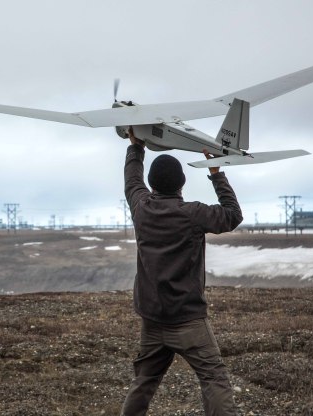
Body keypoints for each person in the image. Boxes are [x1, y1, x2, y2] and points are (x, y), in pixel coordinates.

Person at [121, 127, 243, 416]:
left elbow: (131, 181)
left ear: (152, 184)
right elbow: (232, 215)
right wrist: (216, 172)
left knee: (144, 381)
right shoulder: (193, 213)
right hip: (188, 321)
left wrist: (135, 146)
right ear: (182, 183)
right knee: (214, 379)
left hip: (152, 320)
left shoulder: (141, 208)